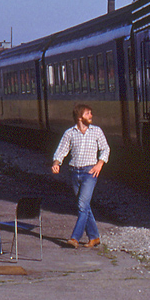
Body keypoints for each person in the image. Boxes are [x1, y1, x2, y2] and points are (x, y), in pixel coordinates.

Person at [50, 103, 110, 248]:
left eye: (91, 113)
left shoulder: (96, 131)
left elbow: (105, 149)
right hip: (74, 172)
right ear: (79, 117)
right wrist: (56, 163)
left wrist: (99, 164)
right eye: (88, 113)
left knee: (82, 205)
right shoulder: (69, 133)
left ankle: (75, 238)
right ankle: (94, 237)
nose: (91, 116)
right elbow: (61, 150)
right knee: (84, 206)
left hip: (90, 172)